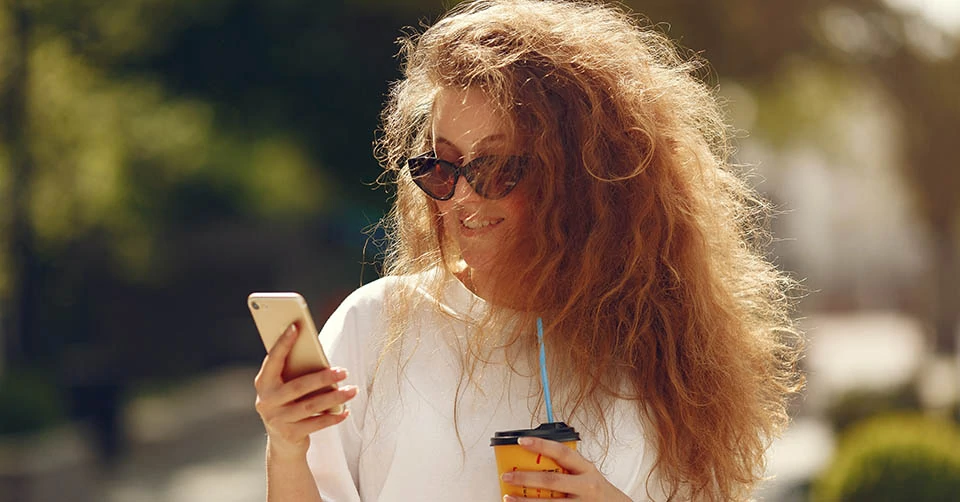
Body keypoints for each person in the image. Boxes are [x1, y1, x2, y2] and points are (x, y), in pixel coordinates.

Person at [253, 0, 804, 500]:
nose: (463, 195)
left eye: (498, 166)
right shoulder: (372, 325)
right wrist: (287, 446)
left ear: (588, 179)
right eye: (441, 166)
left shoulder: (656, 340)